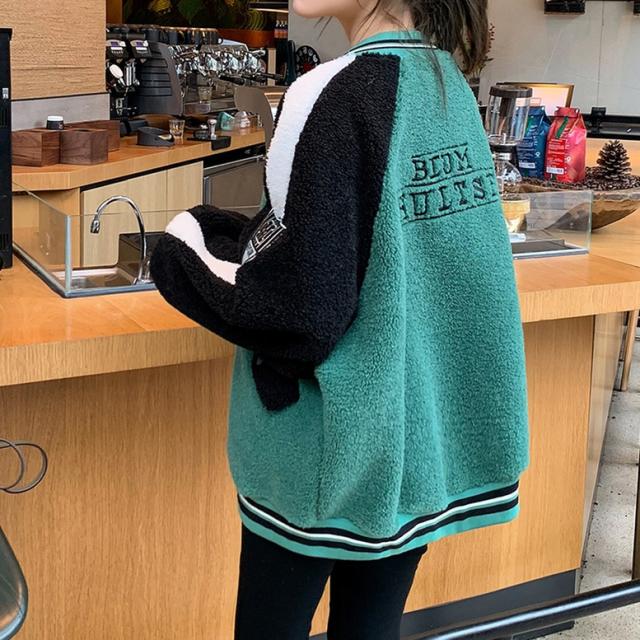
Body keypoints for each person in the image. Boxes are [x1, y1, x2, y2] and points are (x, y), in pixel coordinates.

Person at [149, 0, 530, 638]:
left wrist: (183, 244)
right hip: (417, 443)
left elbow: (294, 308)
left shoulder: (326, 91)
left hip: (325, 445)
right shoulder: (448, 85)